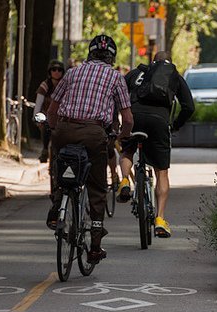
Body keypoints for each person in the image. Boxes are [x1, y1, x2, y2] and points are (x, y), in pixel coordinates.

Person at [47, 34, 133, 264]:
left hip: (65, 129)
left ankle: (57, 205)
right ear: (112, 57)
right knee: (96, 186)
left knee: (60, 164)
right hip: (94, 133)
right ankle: (95, 245)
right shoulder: (116, 77)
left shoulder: (73, 72)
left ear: (89, 53)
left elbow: (53, 108)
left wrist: (54, 129)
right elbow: (127, 118)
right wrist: (121, 136)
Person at [117, 51, 194, 238]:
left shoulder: (136, 73)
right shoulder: (174, 75)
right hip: (160, 122)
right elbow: (188, 107)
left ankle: (125, 180)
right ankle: (160, 219)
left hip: (135, 117)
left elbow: (118, 95)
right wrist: (175, 125)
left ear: (152, 62)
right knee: (161, 171)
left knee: (127, 150)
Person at [34, 60, 65, 163]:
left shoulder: (66, 85)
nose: (56, 72)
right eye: (54, 69)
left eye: (59, 70)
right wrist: (36, 117)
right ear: (50, 71)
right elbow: (38, 104)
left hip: (61, 116)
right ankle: (45, 149)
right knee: (45, 125)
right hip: (47, 115)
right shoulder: (45, 85)